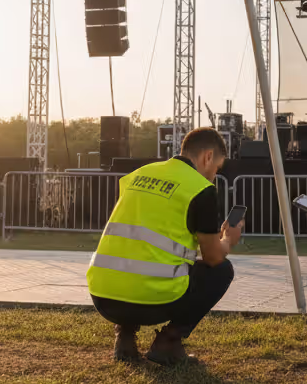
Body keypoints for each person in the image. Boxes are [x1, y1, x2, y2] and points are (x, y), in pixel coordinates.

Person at [87, 128, 243, 365]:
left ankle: (125, 337)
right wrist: (228, 239)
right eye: (217, 168)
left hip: (103, 297)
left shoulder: (137, 175)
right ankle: (168, 342)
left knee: (135, 261)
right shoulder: (201, 189)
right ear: (208, 157)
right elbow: (213, 258)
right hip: (153, 303)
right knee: (222, 271)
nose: (214, 175)